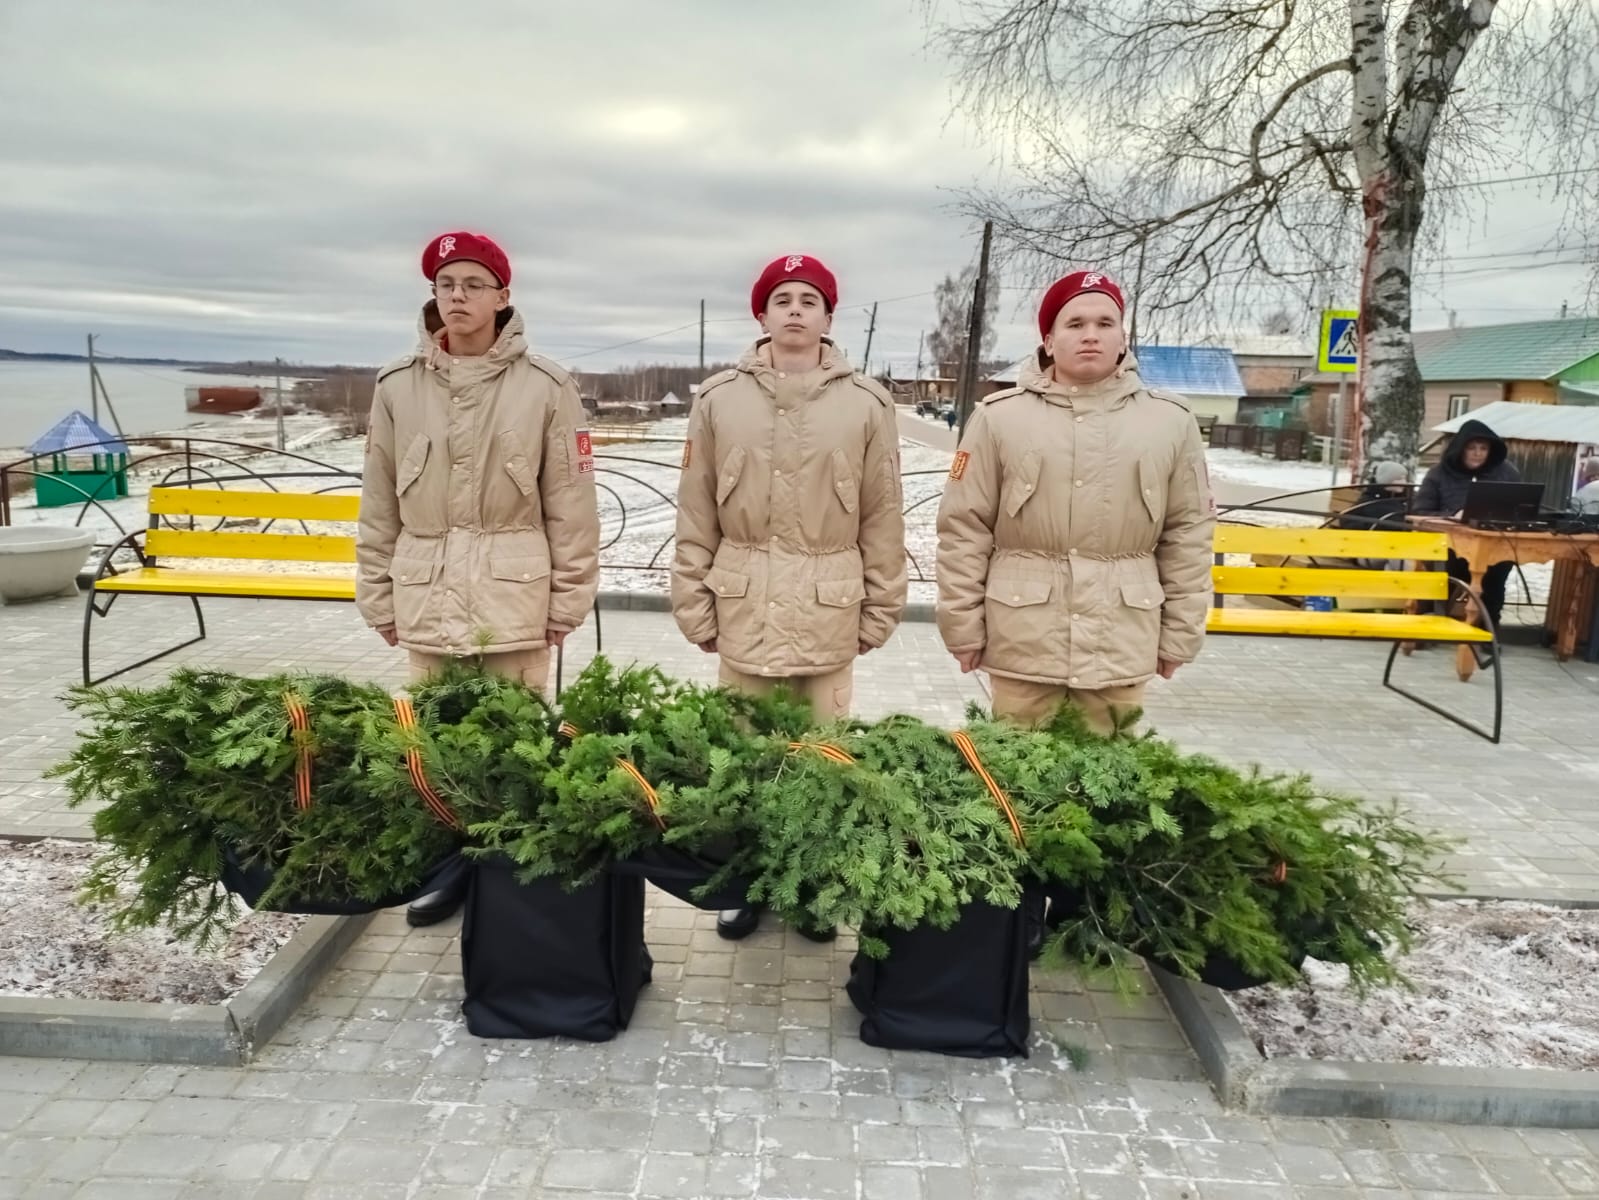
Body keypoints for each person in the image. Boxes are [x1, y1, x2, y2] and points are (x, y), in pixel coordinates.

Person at [356, 231, 600, 925]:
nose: (456, 297)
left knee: (516, 743)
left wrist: (569, 596)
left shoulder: (546, 387)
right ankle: (444, 871)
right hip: (427, 588)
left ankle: (511, 874)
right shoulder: (397, 387)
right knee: (430, 744)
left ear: (502, 297)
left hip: (513, 594)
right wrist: (376, 591)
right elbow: (378, 501)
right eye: (445, 285)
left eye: (471, 284)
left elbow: (572, 504)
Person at [672, 253, 907, 941]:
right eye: (782, 299)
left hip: (828, 602)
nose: (795, 310)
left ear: (829, 318)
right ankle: (744, 883)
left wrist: (880, 604)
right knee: (745, 756)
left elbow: (881, 515)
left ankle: (812, 885)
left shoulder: (866, 403)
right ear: (762, 315)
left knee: (821, 756)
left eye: (809, 299)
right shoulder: (718, 401)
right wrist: (693, 600)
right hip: (744, 597)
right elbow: (696, 513)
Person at [935, 269, 1214, 735]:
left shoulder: (1171, 421)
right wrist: (962, 626)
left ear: (1123, 337)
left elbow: (1188, 534)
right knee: (1015, 781)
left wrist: (1181, 632)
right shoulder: (998, 419)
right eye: (1075, 324)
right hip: (1023, 638)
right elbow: (964, 528)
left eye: (1105, 324)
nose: (1091, 335)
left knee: (1109, 791)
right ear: (1048, 339)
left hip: (1121, 637)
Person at [1411, 418, 1520, 627]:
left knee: (1496, 574)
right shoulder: (1439, 474)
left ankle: (1487, 629)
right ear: (1461, 449)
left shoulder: (1506, 473)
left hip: (1493, 546)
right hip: (1448, 545)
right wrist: (1453, 515)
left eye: (1483, 448)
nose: (1477, 453)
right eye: (1471, 447)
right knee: (1443, 570)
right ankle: (1427, 623)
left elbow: (1520, 506)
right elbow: (1421, 511)